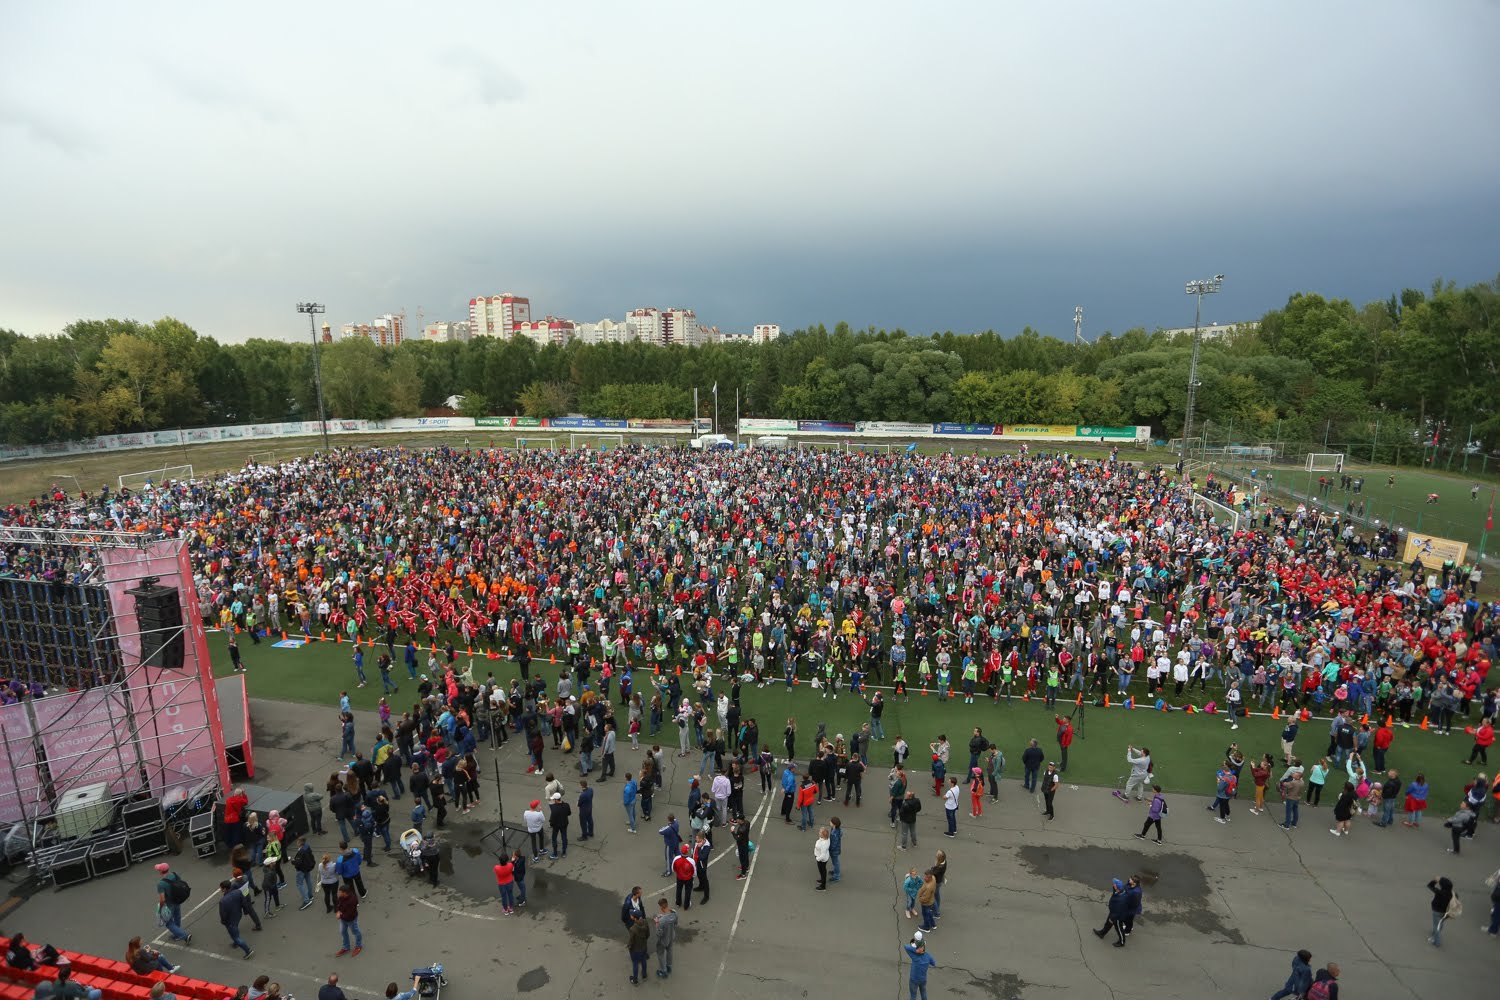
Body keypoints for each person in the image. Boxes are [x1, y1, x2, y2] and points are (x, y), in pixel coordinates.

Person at [153, 862, 192, 943]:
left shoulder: (161, 884)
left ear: (160, 872)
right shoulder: (175, 874)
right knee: (177, 917)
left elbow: (162, 899)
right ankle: (177, 934)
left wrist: (160, 909)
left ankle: (184, 935)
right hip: (177, 900)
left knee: (168, 923)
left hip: (169, 904)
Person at [216, 881, 254, 960]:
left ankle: (248, 951)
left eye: (221, 888)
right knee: (235, 928)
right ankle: (236, 943)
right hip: (238, 915)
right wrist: (246, 911)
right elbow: (244, 902)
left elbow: (223, 915)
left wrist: (224, 922)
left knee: (236, 937)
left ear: (225, 889)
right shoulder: (238, 892)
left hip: (230, 921)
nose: (220, 889)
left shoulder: (223, 901)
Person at [1093, 878, 1129, 947]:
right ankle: (1102, 933)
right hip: (1113, 912)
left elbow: (1118, 911)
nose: (1113, 884)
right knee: (1108, 923)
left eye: (1114, 884)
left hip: (1117, 916)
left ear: (1117, 887)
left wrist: (1112, 918)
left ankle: (1122, 942)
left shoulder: (1121, 900)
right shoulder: (1119, 891)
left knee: (1119, 929)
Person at [904, 935, 938, 1000]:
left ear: (916, 948)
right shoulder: (928, 956)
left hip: (913, 980)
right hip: (923, 980)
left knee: (913, 996)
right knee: (923, 993)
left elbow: (906, 947)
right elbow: (933, 963)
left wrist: (915, 950)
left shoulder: (914, 957)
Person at [334, 884, 363, 957]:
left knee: (355, 932)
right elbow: (338, 903)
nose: (339, 893)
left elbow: (349, 914)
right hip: (343, 919)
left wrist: (339, 915)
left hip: (351, 920)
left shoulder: (353, 900)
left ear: (345, 893)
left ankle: (358, 946)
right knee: (343, 931)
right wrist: (338, 911)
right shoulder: (341, 897)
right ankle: (346, 947)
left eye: (340, 892)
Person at [652, 897, 677, 980]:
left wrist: (656, 922)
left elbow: (659, 934)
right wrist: (663, 916)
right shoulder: (674, 913)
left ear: (661, 907)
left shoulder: (661, 921)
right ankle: (669, 966)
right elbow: (675, 923)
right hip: (671, 936)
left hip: (663, 940)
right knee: (670, 950)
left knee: (660, 954)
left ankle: (664, 971)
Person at [1427, 875, 1454, 946]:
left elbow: (1430, 886)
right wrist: (1440, 880)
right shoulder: (1452, 894)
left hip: (1437, 911)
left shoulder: (1439, 892)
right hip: (1446, 912)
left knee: (1436, 926)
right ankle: (1435, 932)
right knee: (1440, 923)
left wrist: (1435, 880)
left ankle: (1436, 942)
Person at [627, 912, 650, 985]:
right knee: (643, 960)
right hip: (644, 947)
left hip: (635, 950)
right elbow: (648, 934)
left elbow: (631, 941)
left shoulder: (633, 929)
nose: (631, 916)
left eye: (632, 915)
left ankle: (635, 980)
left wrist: (629, 947)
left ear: (634, 918)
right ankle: (644, 975)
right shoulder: (645, 922)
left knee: (635, 963)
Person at [671, 844, 696, 910]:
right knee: (688, 891)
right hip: (688, 879)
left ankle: (678, 903)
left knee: (679, 889)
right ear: (687, 852)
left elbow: (673, 868)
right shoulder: (691, 861)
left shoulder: (676, 858)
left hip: (679, 877)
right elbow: (694, 871)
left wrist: (678, 873)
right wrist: (693, 876)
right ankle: (686, 905)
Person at [813, 826, 831, 890]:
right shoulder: (825, 839)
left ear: (823, 834)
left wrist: (817, 858)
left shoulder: (824, 844)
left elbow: (823, 855)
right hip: (822, 858)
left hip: (821, 859)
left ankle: (823, 886)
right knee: (822, 870)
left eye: (820, 832)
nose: (819, 832)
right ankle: (822, 880)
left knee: (822, 871)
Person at [828, 815, 843, 882]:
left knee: (835, 862)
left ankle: (836, 876)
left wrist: (829, 849)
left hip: (834, 851)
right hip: (837, 849)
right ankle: (835, 871)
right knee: (835, 862)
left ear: (834, 824)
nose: (829, 822)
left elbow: (833, 844)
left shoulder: (834, 833)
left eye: (831, 822)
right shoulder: (837, 829)